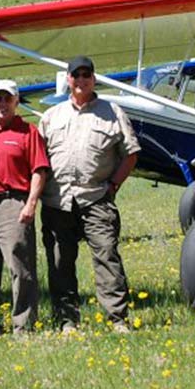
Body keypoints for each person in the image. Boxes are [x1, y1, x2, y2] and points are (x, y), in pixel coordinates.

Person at [39, 56, 141, 333]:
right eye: (76, 75)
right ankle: (66, 320)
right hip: (56, 200)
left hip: (96, 197)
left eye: (87, 75)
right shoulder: (51, 116)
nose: (81, 80)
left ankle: (117, 319)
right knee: (60, 261)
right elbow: (38, 159)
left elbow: (131, 153)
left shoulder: (112, 111)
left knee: (107, 256)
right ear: (68, 80)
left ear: (94, 78)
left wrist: (114, 186)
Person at [0, 79, 49, 334]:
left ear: (16, 102)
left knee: (20, 267)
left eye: (8, 98)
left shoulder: (28, 132)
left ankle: (24, 326)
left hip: (15, 203)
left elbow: (39, 170)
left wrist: (31, 203)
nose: (2, 103)